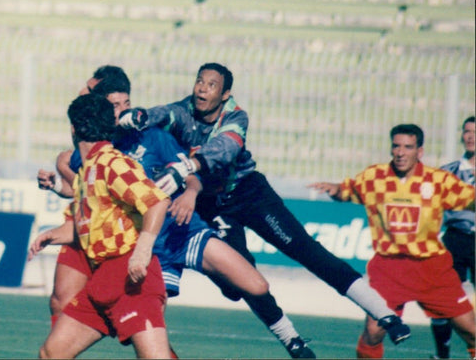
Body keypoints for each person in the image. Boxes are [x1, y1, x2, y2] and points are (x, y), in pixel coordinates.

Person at [120, 63, 414, 352]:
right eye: (200, 81)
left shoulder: (236, 116)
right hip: (212, 206)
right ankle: (290, 336)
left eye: (211, 84)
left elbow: (225, 148)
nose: (202, 88)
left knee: (306, 250)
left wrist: (186, 167)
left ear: (225, 94)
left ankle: (382, 314)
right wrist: (138, 114)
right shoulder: (182, 111)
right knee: (239, 284)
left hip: (249, 193)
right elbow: (160, 114)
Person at [40, 72, 315, 358]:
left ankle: (290, 337)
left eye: (126, 103)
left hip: (178, 233)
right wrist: (58, 194)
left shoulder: (148, 140)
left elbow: (182, 180)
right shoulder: (95, 158)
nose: (122, 111)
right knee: (138, 336)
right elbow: (87, 192)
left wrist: (190, 194)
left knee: (255, 285)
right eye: (114, 106)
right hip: (148, 254)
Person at [310, 124, 475, 359]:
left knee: (470, 331)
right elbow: (348, 191)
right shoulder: (375, 177)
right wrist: (334, 189)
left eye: (407, 147)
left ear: (420, 151)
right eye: (396, 146)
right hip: (390, 268)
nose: (400, 152)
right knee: (373, 332)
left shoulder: (438, 181)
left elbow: (470, 199)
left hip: (432, 268)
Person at [28, 93, 172, 359]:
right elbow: (90, 226)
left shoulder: (112, 162)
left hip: (132, 281)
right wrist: (52, 235)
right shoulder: (87, 170)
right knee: (51, 353)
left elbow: (157, 203)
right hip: (102, 281)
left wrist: (142, 250)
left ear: (73, 128)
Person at [429, 116, 475, 359]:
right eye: (467, 131)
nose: (470, 136)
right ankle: (442, 355)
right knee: (441, 300)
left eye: (475, 132)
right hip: (455, 239)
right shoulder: (448, 172)